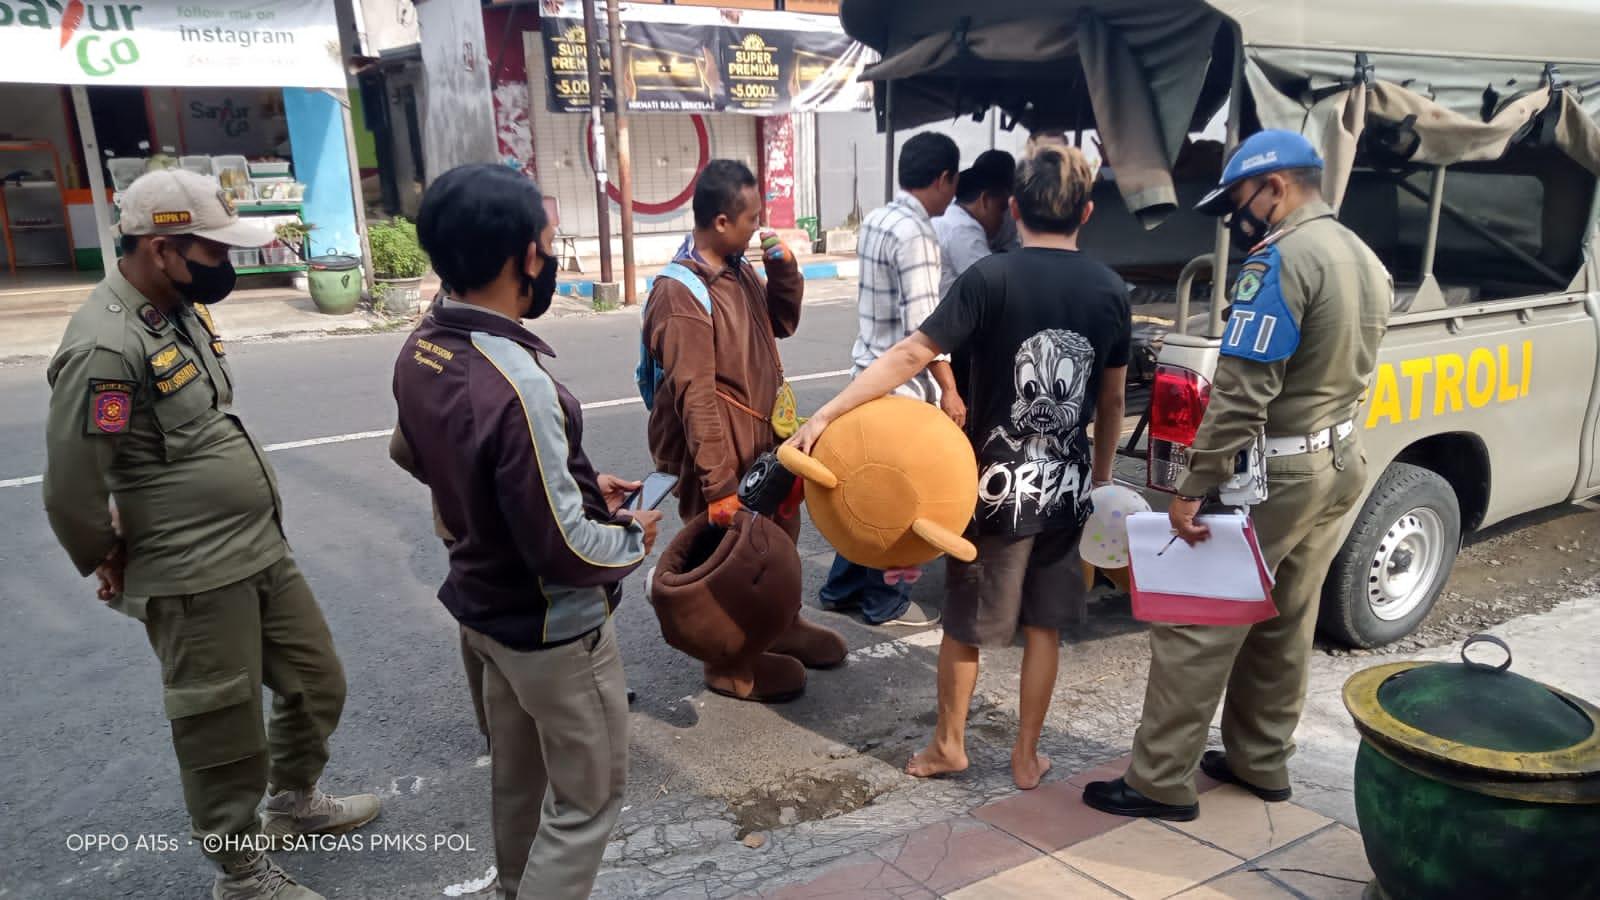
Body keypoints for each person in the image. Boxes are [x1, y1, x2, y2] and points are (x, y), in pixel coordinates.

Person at [42, 169, 380, 900]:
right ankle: (243, 875)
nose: (225, 266)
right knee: (222, 732)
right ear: (161, 248)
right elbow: (72, 483)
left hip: (258, 550)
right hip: (193, 574)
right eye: (214, 253)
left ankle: (294, 803)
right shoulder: (106, 346)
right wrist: (108, 555)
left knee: (318, 681)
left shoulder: (176, 307)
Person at [790, 146, 1132, 790]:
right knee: (1045, 627)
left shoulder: (990, 278)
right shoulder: (1111, 291)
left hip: (986, 492)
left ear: (1015, 206)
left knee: (967, 627)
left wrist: (827, 414)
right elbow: (1110, 400)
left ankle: (950, 744)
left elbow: (912, 353)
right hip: (1066, 492)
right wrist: (1102, 478)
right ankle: (1027, 757)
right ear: (1086, 211)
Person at [1083, 130, 1391, 821]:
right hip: (1338, 463)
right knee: (1284, 619)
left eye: (1241, 202)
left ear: (1277, 187)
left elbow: (1243, 393)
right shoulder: (1361, 255)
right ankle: (1261, 760)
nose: (1236, 218)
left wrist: (1194, 487)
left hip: (1276, 474)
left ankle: (1160, 779)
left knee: (1195, 621)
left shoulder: (1281, 261)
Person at [390, 164, 661, 899]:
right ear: (524, 258)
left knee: (518, 783)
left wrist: (564, 486)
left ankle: (513, 889)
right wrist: (631, 534)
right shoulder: (518, 382)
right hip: (552, 632)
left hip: (482, 616)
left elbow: (412, 450)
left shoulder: (424, 346)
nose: (548, 257)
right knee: (585, 801)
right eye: (548, 243)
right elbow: (568, 547)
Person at [642, 158, 848, 703]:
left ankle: (781, 625)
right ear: (719, 221)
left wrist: (783, 271)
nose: (760, 227)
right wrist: (718, 487)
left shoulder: (738, 267)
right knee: (730, 564)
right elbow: (695, 396)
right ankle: (729, 663)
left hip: (763, 439)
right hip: (721, 452)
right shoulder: (681, 292)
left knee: (778, 541)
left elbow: (780, 324)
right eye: (752, 218)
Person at [817, 132, 962, 628]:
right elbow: (926, 326)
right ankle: (886, 603)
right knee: (895, 501)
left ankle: (839, 590)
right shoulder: (916, 234)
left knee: (861, 488)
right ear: (943, 178)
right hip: (900, 387)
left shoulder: (879, 219)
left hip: (866, 376)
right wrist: (950, 387)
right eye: (953, 183)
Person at [933, 149, 1016, 297]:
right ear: (984, 200)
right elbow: (994, 288)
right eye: (1001, 208)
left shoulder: (949, 216)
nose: (1003, 218)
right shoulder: (963, 231)